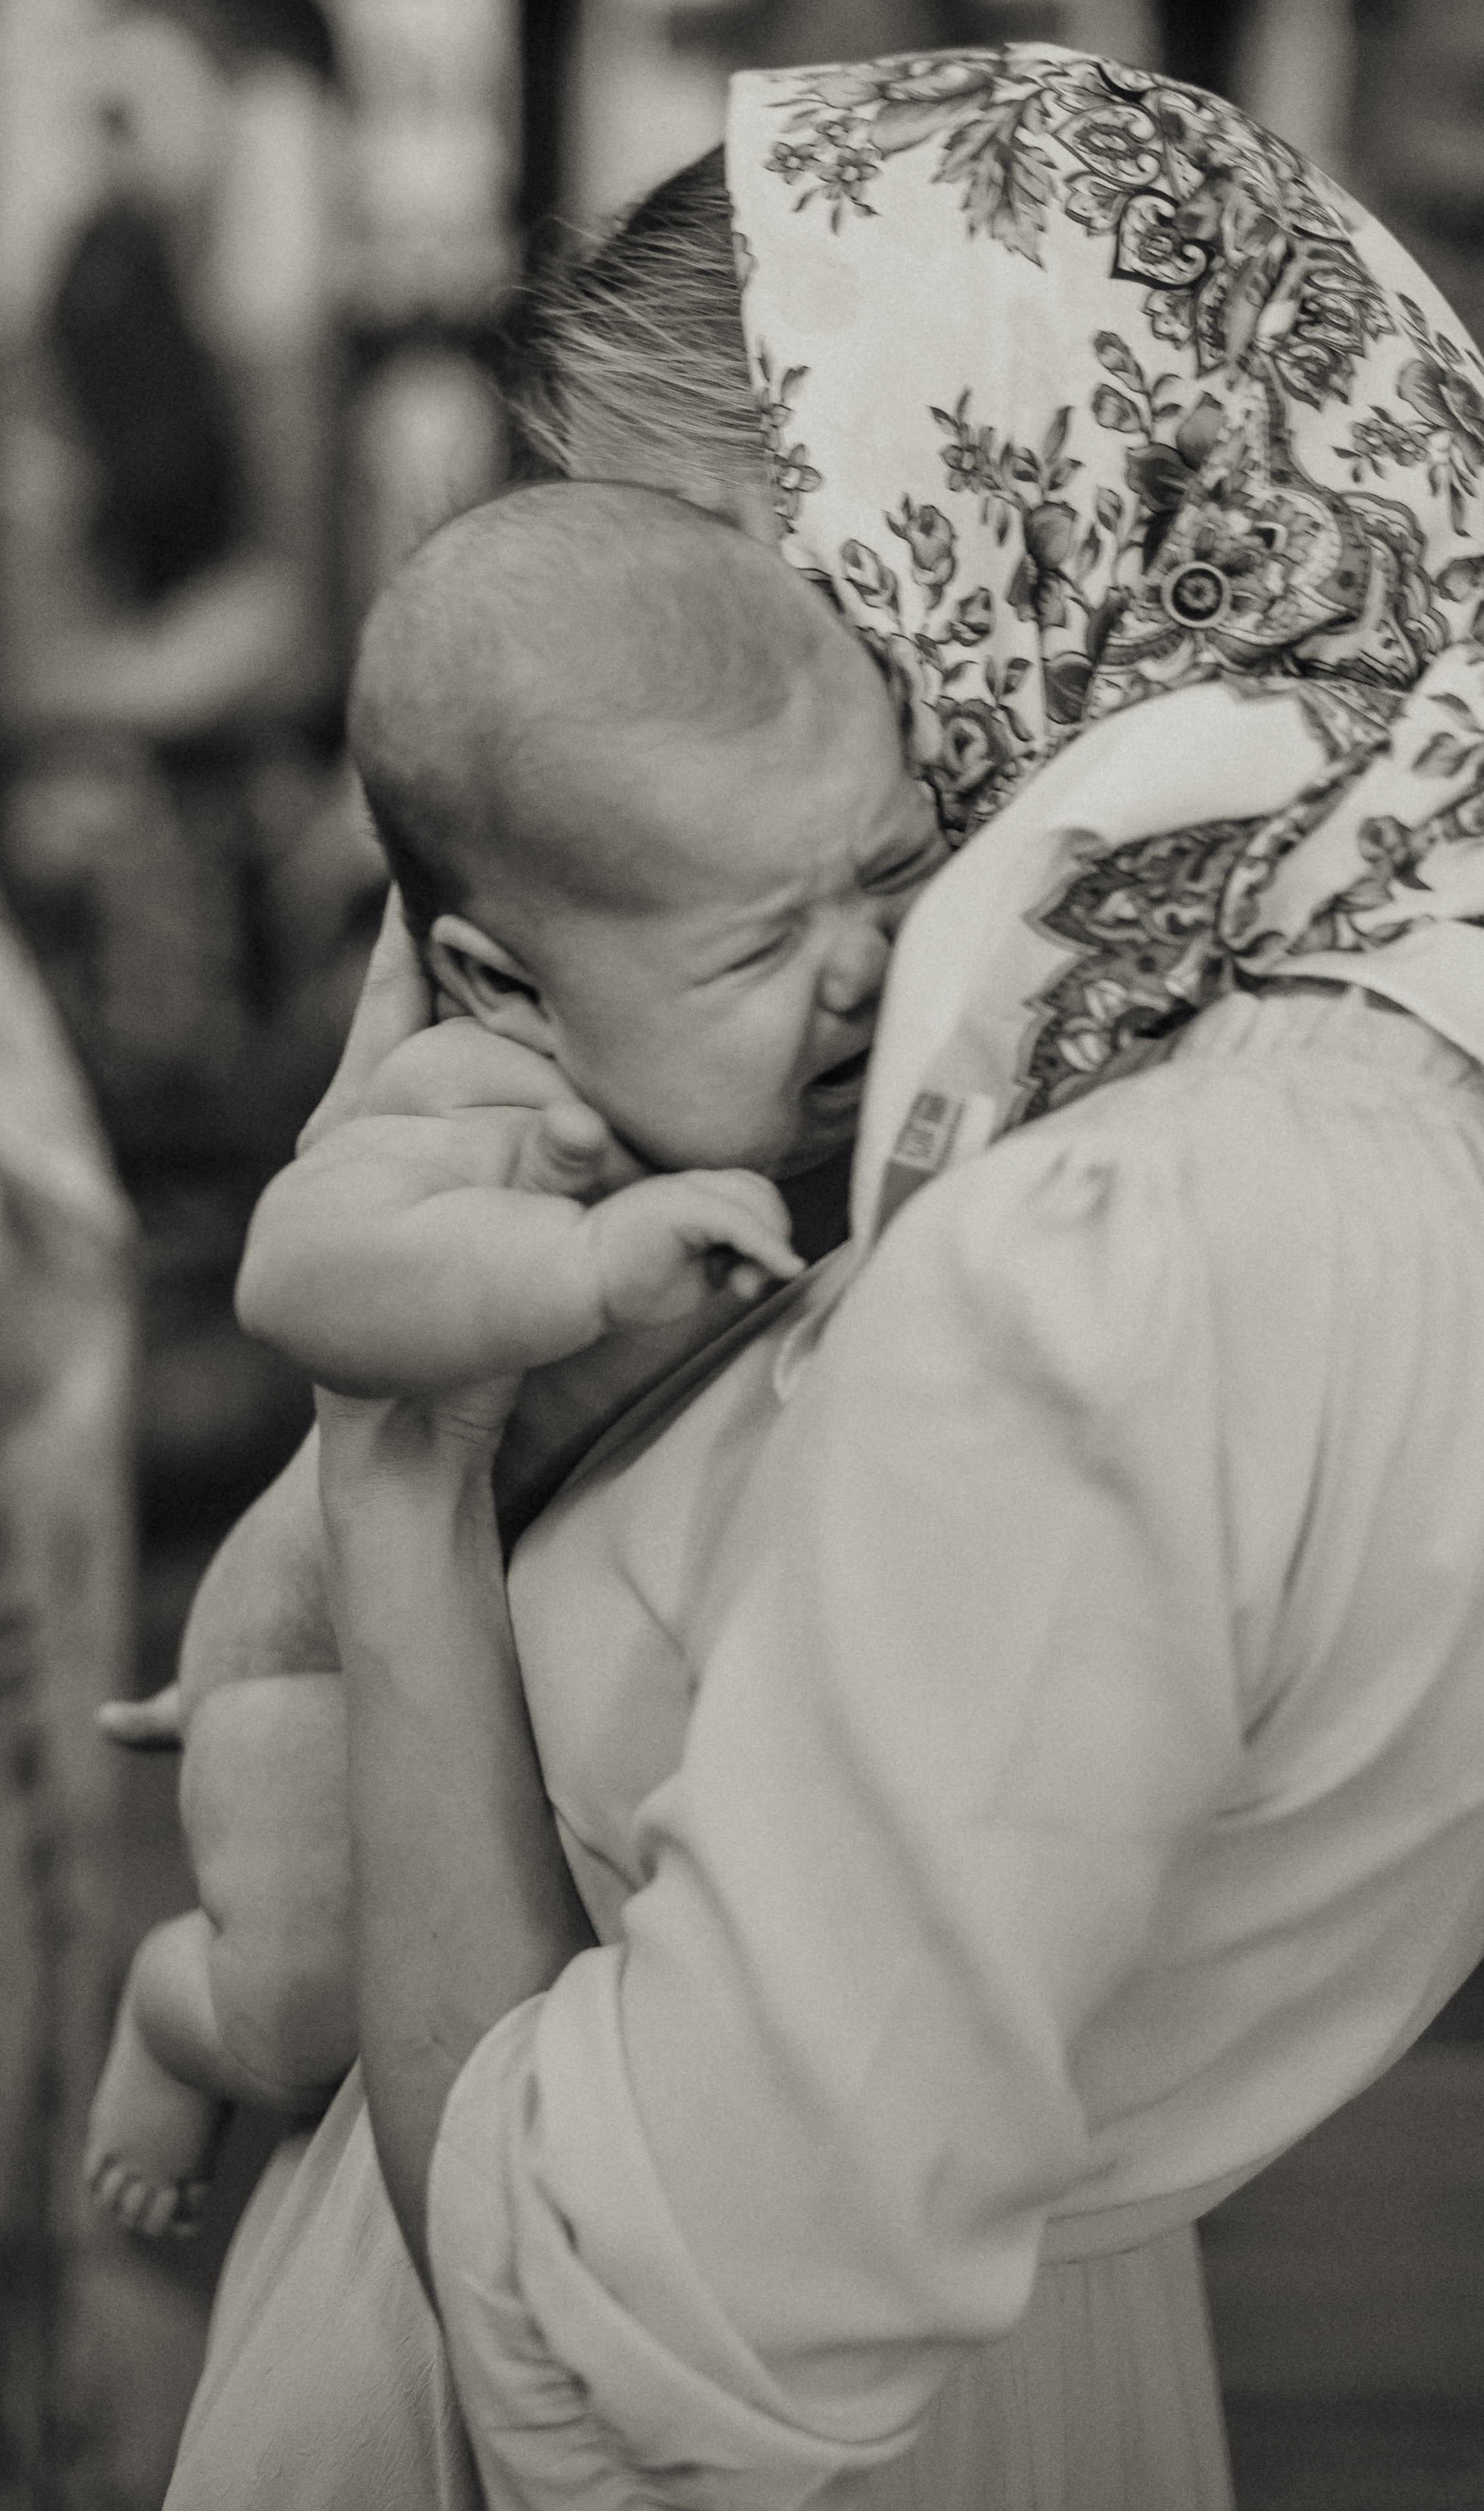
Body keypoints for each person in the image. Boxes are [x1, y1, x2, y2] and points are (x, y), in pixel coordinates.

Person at [163, 44, 1484, 2511]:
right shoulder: (1425, 1074)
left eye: (711, 618)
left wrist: (401, 1441)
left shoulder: (1103, 1258)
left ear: (970, 545)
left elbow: (605, 2350)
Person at [86, 475, 948, 2235]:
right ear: (507, 979)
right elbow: (299, 1272)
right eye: (763, 942)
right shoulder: (506, 1108)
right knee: (307, 2000)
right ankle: (171, 2016)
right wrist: (565, 1261)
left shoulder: (791, 1098)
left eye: (887, 869)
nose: (860, 965)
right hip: (306, 1659)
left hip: (540, 1689)